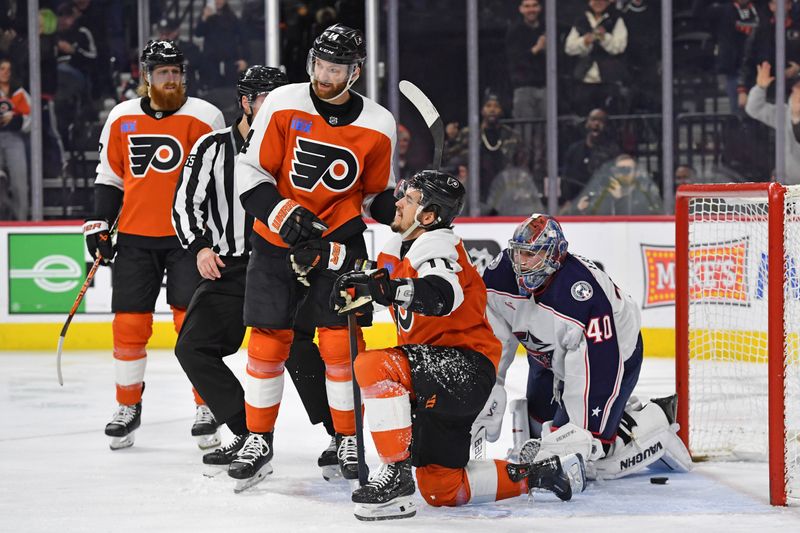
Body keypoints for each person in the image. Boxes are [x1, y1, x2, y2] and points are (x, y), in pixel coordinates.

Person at [330, 171, 586, 521]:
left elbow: (442, 294)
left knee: (373, 366)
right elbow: (388, 287)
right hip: (436, 375)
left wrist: (382, 289)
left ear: (429, 215)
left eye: (409, 198)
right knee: (441, 488)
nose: (399, 202)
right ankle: (539, 474)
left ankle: (396, 473)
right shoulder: (403, 245)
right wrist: (361, 289)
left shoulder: (436, 244)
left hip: (460, 368)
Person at [231, 24, 399, 491]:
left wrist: (404, 203)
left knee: (340, 345)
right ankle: (259, 440)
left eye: (337, 69)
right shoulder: (284, 102)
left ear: (355, 72)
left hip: (339, 243)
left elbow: (371, 197)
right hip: (276, 237)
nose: (326, 76)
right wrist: (283, 213)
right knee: (267, 342)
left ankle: (347, 437)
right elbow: (251, 170)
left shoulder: (379, 124)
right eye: (321, 66)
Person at [172, 65, 338, 476]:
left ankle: (342, 436)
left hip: (287, 266)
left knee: (299, 349)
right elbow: (184, 202)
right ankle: (250, 434)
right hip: (232, 268)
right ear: (245, 101)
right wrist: (200, 247)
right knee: (192, 347)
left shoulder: (303, 143)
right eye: (265, 97)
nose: (273, 105)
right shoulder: (212, 147)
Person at [477, 213, 692, 481]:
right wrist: (488, 384)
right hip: (547, 355)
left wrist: (581, 432)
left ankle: (655, 420)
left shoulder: (583, 295)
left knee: (592, 457)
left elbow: (596, 369)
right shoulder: (499, 276)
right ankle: (614, 416)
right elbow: (494, 337)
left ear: (555, 256)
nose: (521, 262)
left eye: (531, 255)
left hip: (613, 355)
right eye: (518, 253)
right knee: (537, 425)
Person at [84, 40, 224, 450]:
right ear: (146, 77)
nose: (170, 79)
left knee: (191, 326)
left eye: (176, 72)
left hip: (188, 240)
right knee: (129, 327)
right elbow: (109, 176)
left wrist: (212, 237)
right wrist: (99, 225)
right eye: (162, 72)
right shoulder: (122, 116)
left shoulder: (204, 116)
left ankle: (207, 405)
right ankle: (127, 406)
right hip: (134, 238)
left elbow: (219, 182)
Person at [444, 93, 520, 205]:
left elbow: (519, 161)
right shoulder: (469, 133)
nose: (492, 110)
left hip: (504, 187)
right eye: (488, 106)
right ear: (482, 110)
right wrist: (450, 140)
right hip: (474, 187)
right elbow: (448, 157)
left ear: (501, 110)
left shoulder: (510, 135)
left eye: (496, 106)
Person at [564, 0, 629, 115]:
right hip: (584, 80)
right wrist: (585, 41)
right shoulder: (581, 20)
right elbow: (569, 48)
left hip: (608, 80)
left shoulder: (616, 19)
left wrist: (604, 38)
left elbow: (619, 47)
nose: (599, 2)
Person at [505, 0, 547, 174]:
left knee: (544, 133)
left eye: (534, 5)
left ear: (540, 8)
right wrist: (536, 50)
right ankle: (523, 172)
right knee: (524, 134)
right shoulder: (515, 32)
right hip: (523, 88)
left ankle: (541, 173)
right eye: (527, 6)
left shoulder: (547, 28)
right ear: (521, 9)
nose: (531, 10)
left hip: (544, 87)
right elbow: (515, 61)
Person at [745, 61, 800, 183]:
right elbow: (754, 109)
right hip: (786, 186)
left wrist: (796, 118)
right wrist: (760, 88)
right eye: (795, 89)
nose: (796, 92)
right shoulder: (784, 113)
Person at [566, 154, 663, 215]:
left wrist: (621, 199)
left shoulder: (646, 195)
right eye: (620, 170)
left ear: (636, 173)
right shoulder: (601, 195)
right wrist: (578, 210)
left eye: (628, 170)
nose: (623, 173)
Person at [560, 108, 620, 207]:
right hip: (576, 201)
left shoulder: (612, 152)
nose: (596, 124)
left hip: (602, 203)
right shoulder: (574, 150)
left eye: (601, 121)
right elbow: (566, 178)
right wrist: (568, 200)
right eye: (593, 120)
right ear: (587, 123)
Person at [0, 57, 31, 220]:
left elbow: (30, 119)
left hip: (14, 138)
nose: (5, 72)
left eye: (8, 69)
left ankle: (21, 221)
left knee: (19, 184)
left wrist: (14, 118)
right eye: (2, 68)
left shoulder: (19, 93)